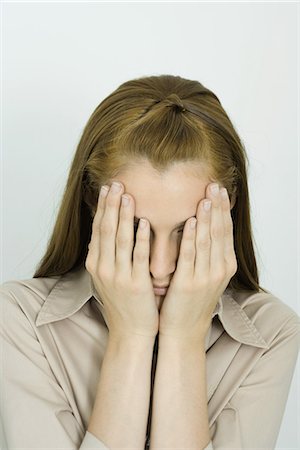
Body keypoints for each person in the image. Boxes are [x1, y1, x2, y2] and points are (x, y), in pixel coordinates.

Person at [0, 74, 299, 450]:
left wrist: (183, 340)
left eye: (186, 229)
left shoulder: (271, 334)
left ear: (230, 207)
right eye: (138, 228)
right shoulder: (20, 320)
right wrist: (132, 336)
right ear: (94, 202)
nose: (159, 267)